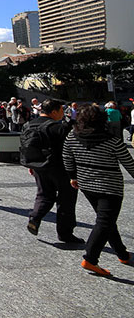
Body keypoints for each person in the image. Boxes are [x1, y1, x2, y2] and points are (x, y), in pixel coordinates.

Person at [63, 104, 134, 277]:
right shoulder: (111, 139)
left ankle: (122, 254)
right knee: (105, 221)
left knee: (106, 220)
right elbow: (129, 163)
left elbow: (66, 157)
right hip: (110, 187)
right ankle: (90, 258)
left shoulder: (72, 136)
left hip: (86, 185)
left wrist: (73, 176)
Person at [24, 99, 81, 243]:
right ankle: (65, 233)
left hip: (38, 165)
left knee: (44, 194)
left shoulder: (28, 125)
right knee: (66, 200)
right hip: (59, 167)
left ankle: (35, 218)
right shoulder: (57, 127)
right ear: (54, 111)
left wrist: (32, 164)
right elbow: (69, 149)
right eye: (61, 111)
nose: (63, 114)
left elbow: (28, 146)